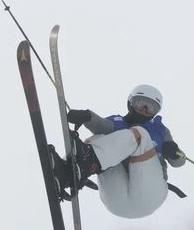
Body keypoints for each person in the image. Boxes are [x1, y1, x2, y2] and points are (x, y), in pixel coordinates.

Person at [50, 84, 186, 219]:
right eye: (140, 103)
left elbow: (179, 162)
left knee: (139, 133)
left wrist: (174, 151)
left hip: (149, 193)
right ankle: (66, 172)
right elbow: (100, 125)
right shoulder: (117, 122)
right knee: (98, 139)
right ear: (130, 103)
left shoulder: (159, 130)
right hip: (116, 201)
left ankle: (82, 166)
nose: (144, 110)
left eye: (151, 107)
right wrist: (87, 116)